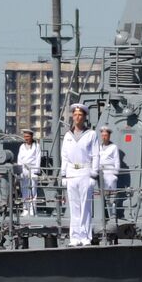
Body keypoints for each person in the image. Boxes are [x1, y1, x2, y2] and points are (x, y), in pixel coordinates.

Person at [61, 104, 99, 246]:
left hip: (85, 171)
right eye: (75, 115)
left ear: (84, 117)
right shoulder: (67, 136)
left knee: (85, 206)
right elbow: (64, 156)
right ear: (72, 116)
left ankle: (85, 236)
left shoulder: (91, 134)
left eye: (80, 115)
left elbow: (96, 155)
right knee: (74, 206)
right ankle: (74, 237)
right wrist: (63, 174)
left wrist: (93, 175)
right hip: (71, 171)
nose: (77, 117)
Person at [98, 126, 121, 220]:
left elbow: (117, 160)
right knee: (104, 194)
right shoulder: (98, 147)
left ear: (109, 136)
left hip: (110, 172)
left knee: (112, 195)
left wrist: (115, 173)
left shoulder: (113, 147)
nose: (104, 137)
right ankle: (107, 214)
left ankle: (113, 213)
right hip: (101, 173)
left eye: (106, 135)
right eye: (102, 135)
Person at [16, 128, 41, 215]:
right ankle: (25, 209)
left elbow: (38, 159)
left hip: (33, 169)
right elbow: (19, 159)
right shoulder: (22, 147)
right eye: (25, 136)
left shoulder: (36, 146)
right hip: (24, 170)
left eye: (27, 136)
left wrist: (36, 171)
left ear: (31, 136)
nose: (26, 138)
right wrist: (19, 171)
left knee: (33, 191)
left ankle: (32, 210)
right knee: (24, 190)